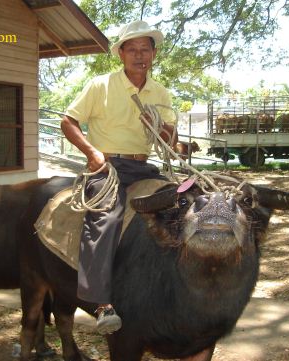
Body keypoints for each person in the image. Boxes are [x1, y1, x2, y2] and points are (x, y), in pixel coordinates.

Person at [61, 20, 178, 335]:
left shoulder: (160, 92)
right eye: (133, 49)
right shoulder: (101, 85)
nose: (139, 55)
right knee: (106, 219)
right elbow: (68, 122)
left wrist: (158, 125)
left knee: (181, 205)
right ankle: (101, 303)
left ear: (154, 54)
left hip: (143, 165)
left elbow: (170, 138)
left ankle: (169, 286)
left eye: (145, 49)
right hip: (107, 166)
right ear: (121, 54)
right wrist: (91, 153)